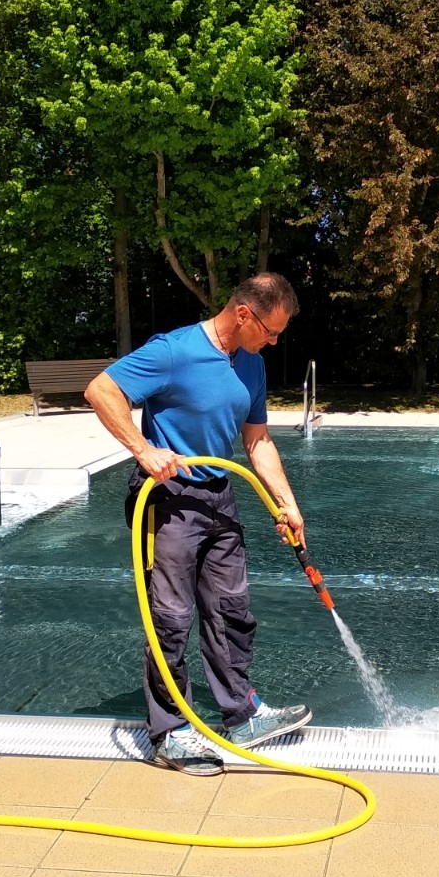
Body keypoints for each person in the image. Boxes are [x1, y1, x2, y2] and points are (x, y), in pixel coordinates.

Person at [84, 272, 313, 775]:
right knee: (170, 616)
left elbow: (258, 441)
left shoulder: (250, 364)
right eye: (271, 331)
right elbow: (101, 390)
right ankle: (170, 731)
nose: (274, 342)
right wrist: (143, 449)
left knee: (231, 609)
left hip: (219, 495)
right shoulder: (174, 351)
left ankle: (242, 714)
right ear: (243, 314)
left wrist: (286, 504)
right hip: (167, 499)